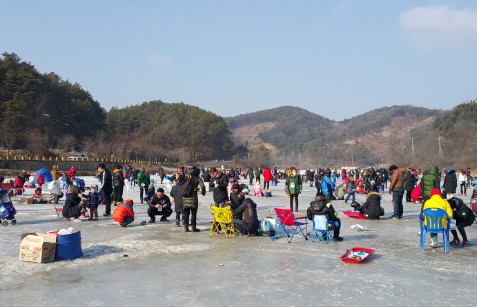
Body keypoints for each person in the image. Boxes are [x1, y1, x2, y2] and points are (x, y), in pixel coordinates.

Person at [182, 166, 206, 232]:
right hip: (193, 199)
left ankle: (186, 227)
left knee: (186, 213)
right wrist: (203, 192)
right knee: (193, 213)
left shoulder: (187, 177)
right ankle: (193, 228)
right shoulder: (197, 178)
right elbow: (202, 186)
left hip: (185, 198)